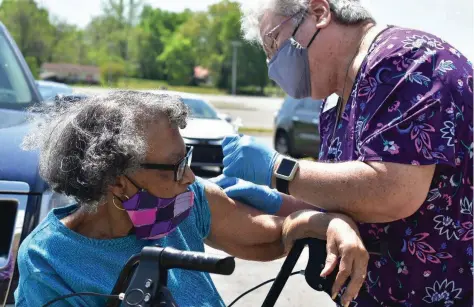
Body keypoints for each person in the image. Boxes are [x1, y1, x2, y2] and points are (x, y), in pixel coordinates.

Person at [219, 0, 473, 306]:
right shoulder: (337, 101)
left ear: (319, 13)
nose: (273, 62)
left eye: (274, 43)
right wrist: (280, 203)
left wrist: (281, 170)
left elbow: (393, 191)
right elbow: (347, 198)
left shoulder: (407, 61)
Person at [14, 91, 368, 307]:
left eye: (188, 159)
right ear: (118, 182)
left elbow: (273, 234)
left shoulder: (190, 200)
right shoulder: (49, 260)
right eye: (176, 166)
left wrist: (329, 223)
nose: (191, 177)